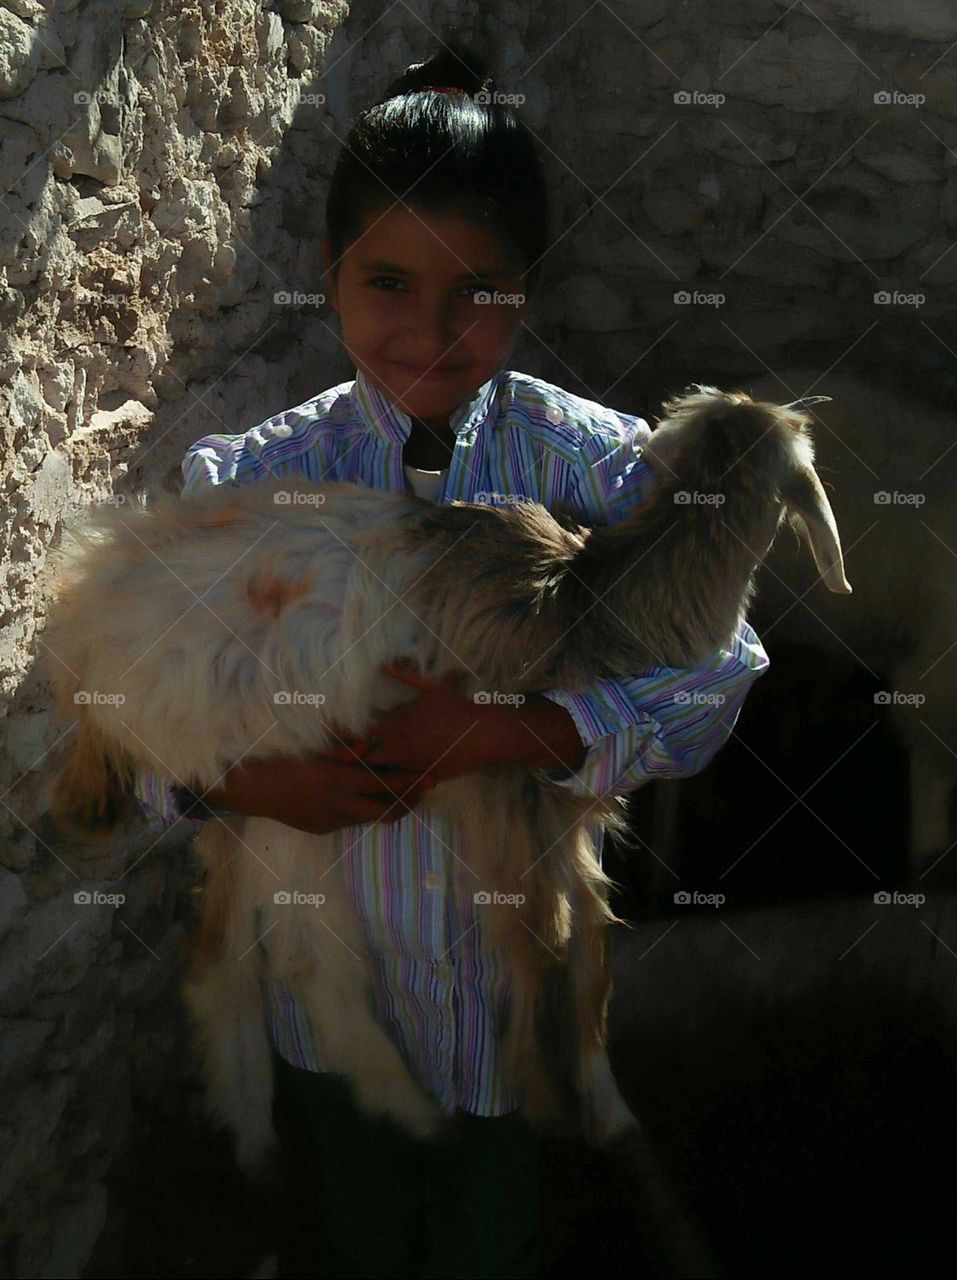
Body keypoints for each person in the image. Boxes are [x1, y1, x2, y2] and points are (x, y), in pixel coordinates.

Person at [134, 39, 769, 1280]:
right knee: (362, 1227)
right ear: (329, 276)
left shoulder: (598, 472)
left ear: (526, 290)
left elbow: (718, 671)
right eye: (386, 280)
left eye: (477, 289)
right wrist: (254, 785)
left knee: (494, 1231)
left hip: (507, 997)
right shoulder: (254, 484)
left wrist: (506, 733)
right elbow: (149, 725)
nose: (431, 329)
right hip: (331, 996)